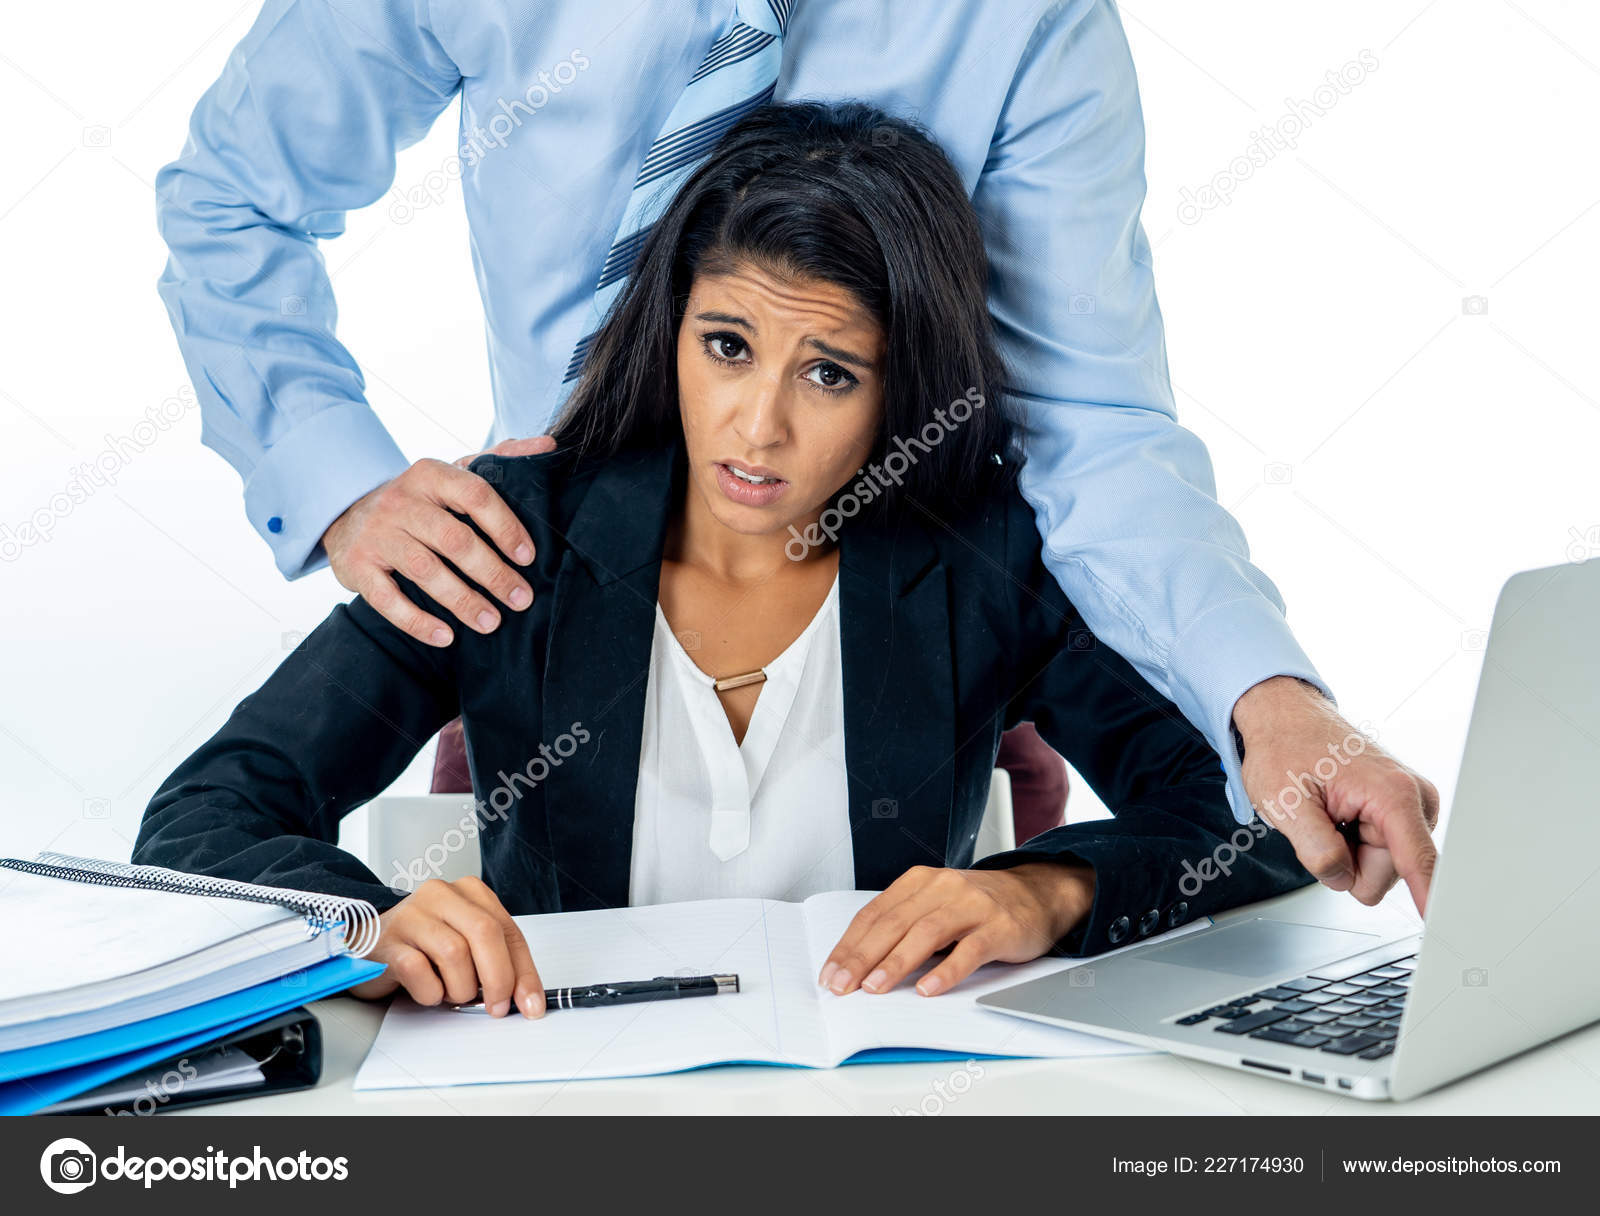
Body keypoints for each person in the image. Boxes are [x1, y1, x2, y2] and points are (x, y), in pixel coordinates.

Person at [153, 0, 1437, 914]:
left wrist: (1268, 707)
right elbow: (236, 196)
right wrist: (341, 486)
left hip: (913, 605)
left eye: (824, 370)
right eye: (723, 348)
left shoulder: (1029, 21)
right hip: (555, 614)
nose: (756, 420)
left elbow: (1094, 422)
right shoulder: (503, 554)